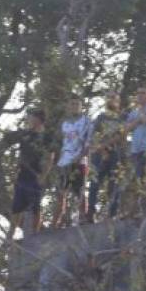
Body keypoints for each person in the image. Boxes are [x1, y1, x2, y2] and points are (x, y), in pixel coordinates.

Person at [10, 108, 53, 236]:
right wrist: (15, 170)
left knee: (35, 207)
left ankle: (35, 234)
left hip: (37, 175)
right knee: (16, 207)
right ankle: (10, 235)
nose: (28, 120)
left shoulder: (47, 137)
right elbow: (21, 155)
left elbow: (50, 157)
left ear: (38, 119)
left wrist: (44, 175)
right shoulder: (25, 135)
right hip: (23, 174)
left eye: (31, 117)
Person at [86, 92, 125, 222]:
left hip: (116, 154)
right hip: (99, 154)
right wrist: (101, 150)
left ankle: (112, 214)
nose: (111, 100)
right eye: (109, 97)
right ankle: (90, 213)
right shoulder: (100, 117)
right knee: (94, 183)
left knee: (114, 184)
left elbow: (123, 135)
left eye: (113, 98)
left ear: (118, 101)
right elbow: (93, 136)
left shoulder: (122, 117)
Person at [53, 96, 91, 228]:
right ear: (68, 106)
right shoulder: (64, 123)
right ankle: (57, 221)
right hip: (64, 161)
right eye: (72, 104)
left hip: (79, 160)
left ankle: (83, 218)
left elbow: (89, 142)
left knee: (79, 191)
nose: (74, 106)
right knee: (60, 192)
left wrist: (81, 156)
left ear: (81, 106)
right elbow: (60, 142)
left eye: (77, 104)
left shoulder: (86, 121)